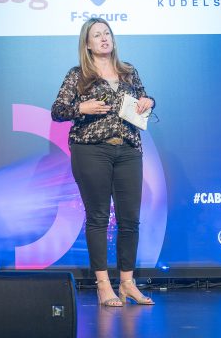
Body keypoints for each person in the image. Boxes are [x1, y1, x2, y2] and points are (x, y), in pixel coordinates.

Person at [51, 18, 156, 307]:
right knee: (98, 217)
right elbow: (58, 111)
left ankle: (127, 283)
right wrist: (80, 108)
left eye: (107, 33)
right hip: (91, 150)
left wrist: (149, 102)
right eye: (97, 35)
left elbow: (144, 97)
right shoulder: (78, 75)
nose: (104, 38)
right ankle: (103, 285)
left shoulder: (128, 71)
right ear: (87, 43)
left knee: (130, 219)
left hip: (128, 149)